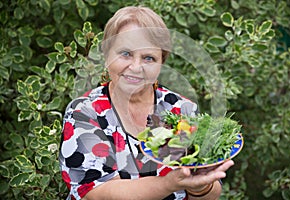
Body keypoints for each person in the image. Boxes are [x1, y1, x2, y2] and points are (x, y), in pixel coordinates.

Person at [59, 6, 234, 200]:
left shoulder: (181, 109)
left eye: (148, 58)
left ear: (161, 63)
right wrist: (169, 184)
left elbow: (209, 193)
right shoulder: (85, 112)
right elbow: (96, 194)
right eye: (125, 53)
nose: (135, 67)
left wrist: (200, 186)